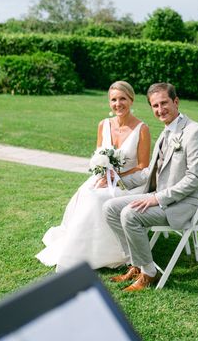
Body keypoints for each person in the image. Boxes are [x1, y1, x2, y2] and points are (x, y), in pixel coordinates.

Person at [103, 82, 198, 292]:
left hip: (183, 204)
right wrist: (117, 178)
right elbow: (149, 171)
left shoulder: (194, 132)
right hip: (159, 195)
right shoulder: (165, 132)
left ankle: (150, 272)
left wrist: (157, 199)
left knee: (130, 215)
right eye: (155, 106)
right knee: (110, 208)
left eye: (164, 103)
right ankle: (136, 263)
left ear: (176, 101)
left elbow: (194, 179)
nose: (160, 110)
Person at [36, 81, 151, 270]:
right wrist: (102, 172)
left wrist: (116, 177)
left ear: (131, 100)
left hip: (130, 183)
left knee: (97, 198)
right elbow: (98, 156)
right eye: (113, 99)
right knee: (85, 192)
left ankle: (107, 252)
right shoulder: (103, 125)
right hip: (103, 178)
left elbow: (142, 166)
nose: (118, 104)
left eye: (123, 98)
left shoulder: (142, 129)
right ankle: (80, 247)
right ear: (109, 102)